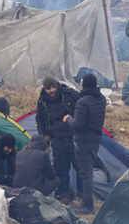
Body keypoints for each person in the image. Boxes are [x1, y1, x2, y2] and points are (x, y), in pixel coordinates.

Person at [36, 77, 79, 202]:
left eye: (52, 87)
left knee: (79, 166)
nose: (51, 91)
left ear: (57, 85)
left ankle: (82, 193)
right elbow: (40, 119)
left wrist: (74, 121)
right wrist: (44, 135)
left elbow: (81, 109)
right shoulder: (42, 100)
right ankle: (63, 194)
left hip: (72, 136)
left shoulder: (69, 94)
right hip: (56, 138)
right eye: (48, 88)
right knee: (60, 167)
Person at [70, 73, 106, 214]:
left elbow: (78, 125)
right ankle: (85, 200)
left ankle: (87, 205)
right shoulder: (101, 99)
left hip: (83, 141)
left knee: (86, 174)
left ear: (84, 84)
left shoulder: (83, 102)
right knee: (88, 171)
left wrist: (68, 119)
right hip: (95, 139)